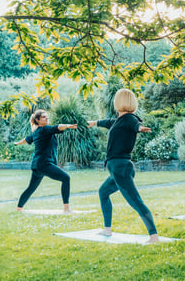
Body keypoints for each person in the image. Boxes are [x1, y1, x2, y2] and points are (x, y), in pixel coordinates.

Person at [87, 89, 159, 244]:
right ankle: (107, 230)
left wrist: (140, 128)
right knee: (103, 192)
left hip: (121, 168)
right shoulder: (118, 121)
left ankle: (154, 236)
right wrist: (95, 123)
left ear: (119, 101)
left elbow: (135, 125)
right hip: (116, 169)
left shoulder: (129, 119)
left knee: (135, 201)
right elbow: (108, 122)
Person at [14, 109, 77, 212]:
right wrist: (68, 125)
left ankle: (18, 209)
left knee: (31, 188)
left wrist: (18, 143)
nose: (47, 118)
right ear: (38, 120)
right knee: (66, 178)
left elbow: (26, 139)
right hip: (44, 164)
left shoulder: (37, 132)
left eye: (47, 116)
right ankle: (66, 209)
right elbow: (57, 127)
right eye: (44, 117)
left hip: (36, 165)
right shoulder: (45, 129)